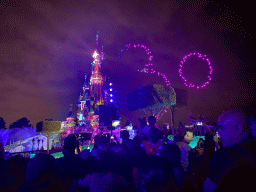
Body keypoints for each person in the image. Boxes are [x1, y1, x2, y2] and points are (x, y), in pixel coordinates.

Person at [203, 110, 256, 192]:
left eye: (221, 128)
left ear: (238, 128)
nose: (219, 133)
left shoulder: (224, 156)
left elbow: (207, 189)